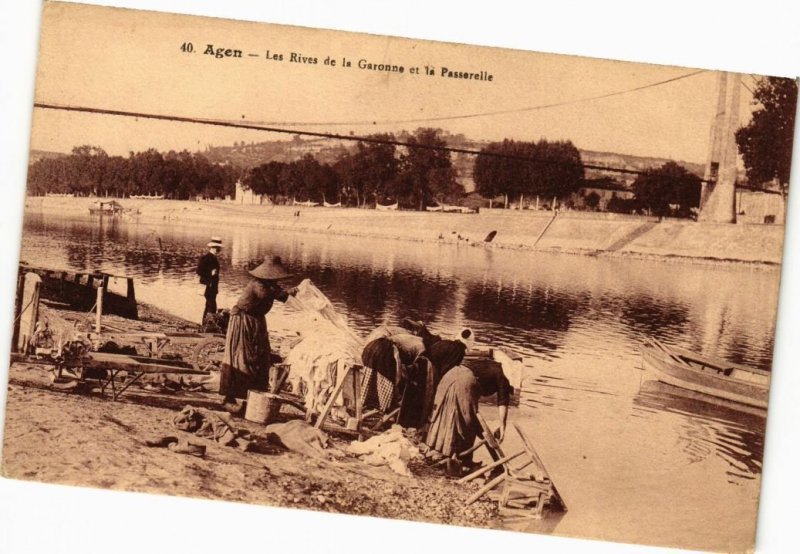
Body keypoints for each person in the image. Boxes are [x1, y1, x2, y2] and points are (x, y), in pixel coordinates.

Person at [219, 256, 298, 413]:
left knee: (260, 356)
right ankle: (231, 397)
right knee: (243, 357)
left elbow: (281, 296)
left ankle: (252, 394)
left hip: (256, 321)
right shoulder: (257, 285)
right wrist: (286, 292)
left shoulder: (269, 285)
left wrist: (291, 292)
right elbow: (268, 295)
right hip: (244, 321)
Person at [424, 329, 511, 465]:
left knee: (447, 415)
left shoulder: (490, 364)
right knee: (467, 422)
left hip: (450, 376)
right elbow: (503, 404)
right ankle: (462, 460)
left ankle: (440, 450)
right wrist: (503, 426)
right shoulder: (503, 378)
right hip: (464, 381)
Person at [196, 237, 223, 324]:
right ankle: (210, 325)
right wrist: (210, 273)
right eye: (217, 248)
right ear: (213, 248)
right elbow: (199, 271)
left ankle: (205, 324)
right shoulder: (206, 258)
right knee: (212, 306)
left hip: (212, 287)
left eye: (219, 248)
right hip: (208, 286)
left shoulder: (213, 258)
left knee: (209, 305)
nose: (218, 250)